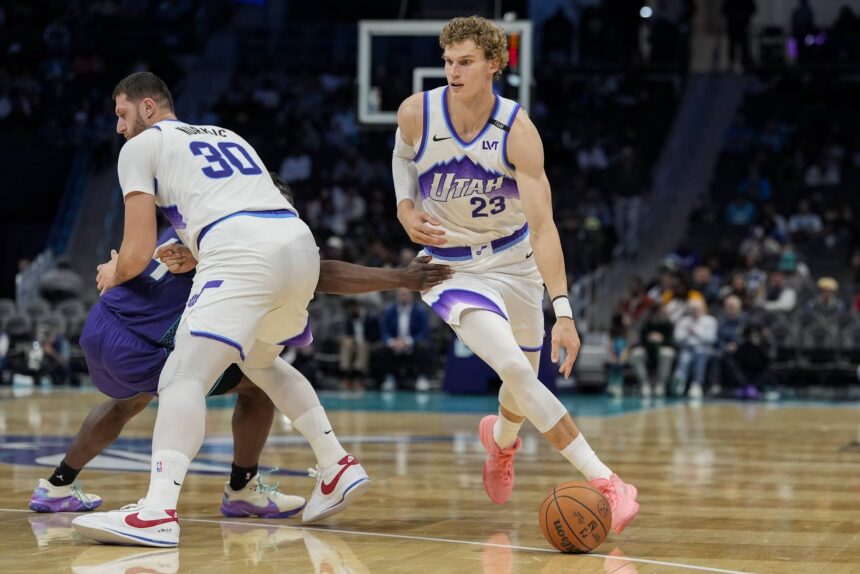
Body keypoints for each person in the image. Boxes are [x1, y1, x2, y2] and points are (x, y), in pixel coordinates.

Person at [72, 72, 447, 547]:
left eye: (123, 115)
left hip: (242, 251)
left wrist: (115, 273)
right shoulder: (228, 136)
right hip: (297, 245)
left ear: (148, 107)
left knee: (182, 376)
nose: (120, 128)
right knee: (262, 361)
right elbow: (234, 207)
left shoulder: (140, 148)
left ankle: (156, 512)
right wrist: (196, 249)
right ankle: (335, 465)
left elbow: (137, 249)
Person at [391, 16, 638, 534]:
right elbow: (401, 155)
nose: (453, 72)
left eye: (465, 62)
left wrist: (564, 313)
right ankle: (608, 481)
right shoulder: (417, 112)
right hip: (449, 267)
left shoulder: (517, 133)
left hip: (514, 260)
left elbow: (545, 229)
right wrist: (405, 206)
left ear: (494, 65)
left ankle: (501, 442)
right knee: (519, 371)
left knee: (518, 377)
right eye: (448, 61)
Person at [31, 224, 450, 516]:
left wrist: (116, 265)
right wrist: (400, 277)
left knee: (129, 401)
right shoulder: (246, 239)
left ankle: (57, 485)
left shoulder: (192, 219)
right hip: (143, 344)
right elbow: (324, 274)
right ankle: (242, 488)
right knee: (259, 381)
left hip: (102, 325)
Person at [379, 288, 432, 392]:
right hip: (395, 343)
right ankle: (389, 379)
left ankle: (422, 378)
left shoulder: (420, 311)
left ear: (411, 296)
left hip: (412, 343)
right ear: (396, 296)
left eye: (405, 294)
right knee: (382, 348)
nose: (403, 296)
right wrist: (391, 341)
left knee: (423, 347)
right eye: (401, 294)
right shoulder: (390, 310)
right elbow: (384, 330)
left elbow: (424, 331)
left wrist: (407, 341)